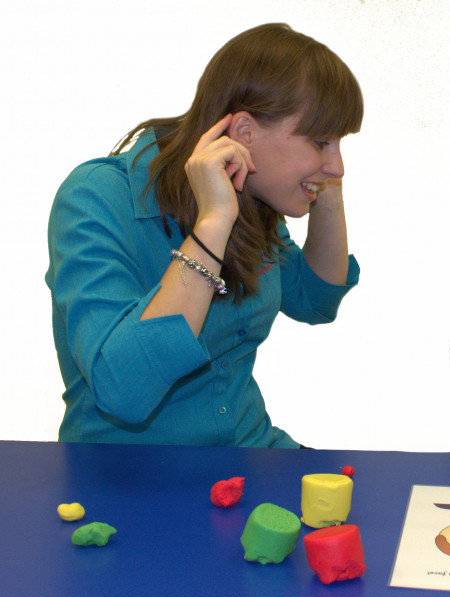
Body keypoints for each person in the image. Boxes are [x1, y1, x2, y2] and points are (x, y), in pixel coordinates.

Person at [46, 24, 363, 447]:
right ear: (245, 133)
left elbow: (315, 300)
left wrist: (325, 188)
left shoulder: (253, 195)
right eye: (321, 141)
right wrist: (213, 225)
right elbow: (125, 390)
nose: (338, 164)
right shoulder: (96, 198)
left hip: (249, 453)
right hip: (128, 470)